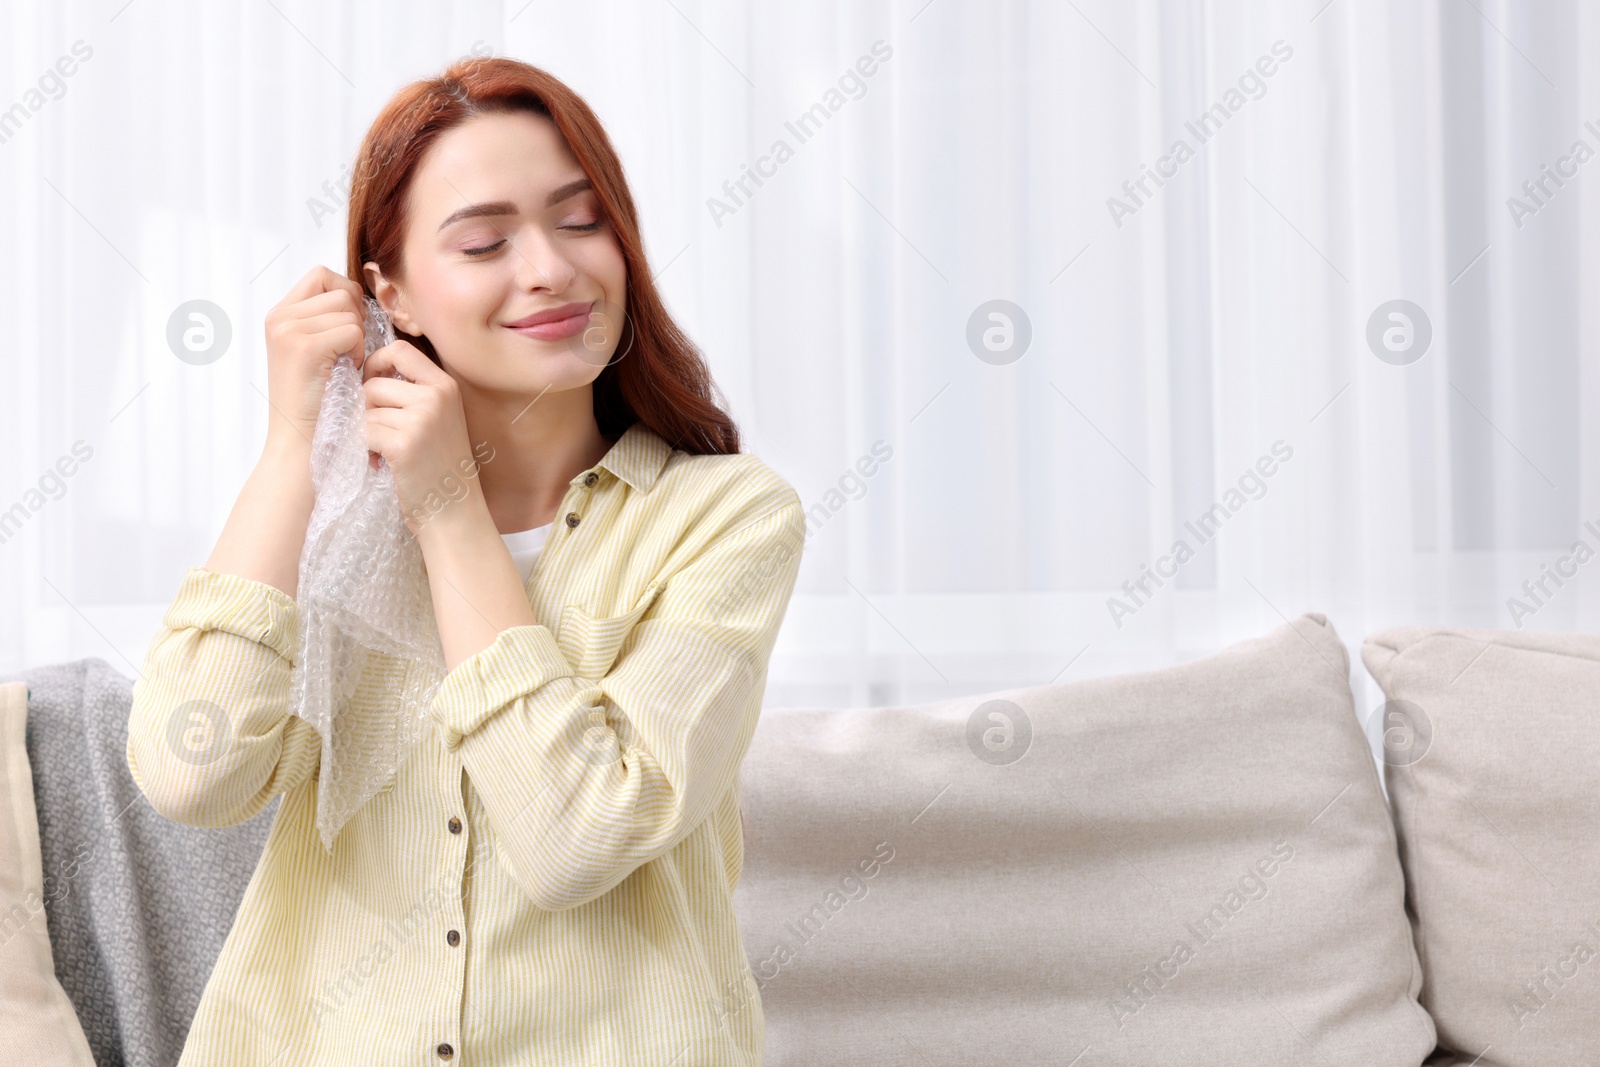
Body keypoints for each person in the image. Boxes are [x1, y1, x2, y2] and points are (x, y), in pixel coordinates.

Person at [125, 54, 805, 1066]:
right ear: (389, 291)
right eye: (485, 240)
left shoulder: (725, 516)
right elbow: (192, 773)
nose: (550, 269)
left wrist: (448, 510)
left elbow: (583, 832)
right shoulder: (329, 521)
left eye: (582, 221)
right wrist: (290, 449)